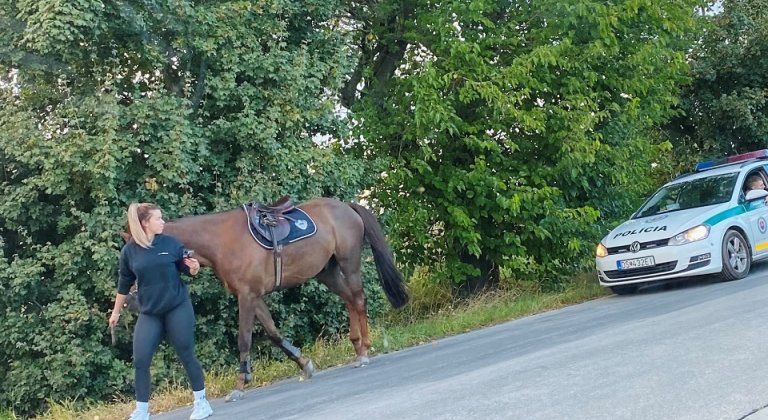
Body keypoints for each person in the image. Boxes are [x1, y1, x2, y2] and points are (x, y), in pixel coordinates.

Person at [109, 203, 213, 420]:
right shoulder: (130, 251)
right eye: (158, 218)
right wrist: (115, 312)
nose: (163, 221)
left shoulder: (170, 243)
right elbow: (124, 284)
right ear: (145, 223)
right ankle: (142, 411)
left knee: (186, 353)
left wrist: (194, 267)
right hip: (150, 313)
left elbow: (188, 268)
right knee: (141, 360)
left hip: (177, 307)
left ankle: (202, 402)